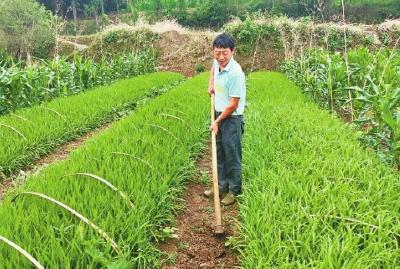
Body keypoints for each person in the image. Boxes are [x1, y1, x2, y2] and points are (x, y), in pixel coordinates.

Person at [204, 33, 246, 206]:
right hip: (218, 113)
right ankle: (220, 186)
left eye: (225, 53)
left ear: (233, 51)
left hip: (231, 119)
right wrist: (210, 84)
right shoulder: (217, 62)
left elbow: (233, 105)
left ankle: (233, 191)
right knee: (219, 152)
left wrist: (217, 121)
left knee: (232, 156)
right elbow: (213, 68)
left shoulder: (236, 74)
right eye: (217, 52)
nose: (221, 57)